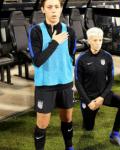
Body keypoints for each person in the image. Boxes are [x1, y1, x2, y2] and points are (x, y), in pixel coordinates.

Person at [28, 0, 76, 149]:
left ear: (61, 9)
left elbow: (71, 57)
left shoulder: (70, 32)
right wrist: (54, 43)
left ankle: (69, 147)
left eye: (57, 7)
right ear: (43, 9)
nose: (54, 10)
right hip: (45, 86)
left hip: (65, 83)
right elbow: (37, 61)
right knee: (42, 124)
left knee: (67, 119)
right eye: (49, 7)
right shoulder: (35, 31)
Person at [75, 27, 120, 147]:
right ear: (89, 41)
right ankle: (86, 113)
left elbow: (110, 80)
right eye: (95, 40)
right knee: (89, 127)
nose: (98, 43)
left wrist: (102, 97)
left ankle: (115, 133)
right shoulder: (81, 59)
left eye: (100, 40)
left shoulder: (107, 57)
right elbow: (78, 83)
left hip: (104, 94)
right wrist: (88, 102)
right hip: (89, 98)